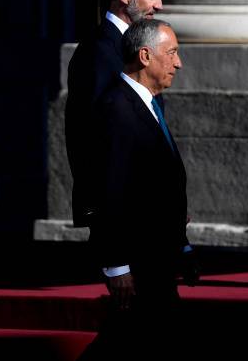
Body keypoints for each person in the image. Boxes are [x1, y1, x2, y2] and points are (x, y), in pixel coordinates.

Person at [77, 19, 196, 358]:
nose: (178, 62)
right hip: (138, 262)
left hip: (158, 258)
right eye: (171, 53)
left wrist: (182, 247)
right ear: (145, 56)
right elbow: (108, 193)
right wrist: (117, 266)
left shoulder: (148, 103)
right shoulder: (117, 108)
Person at [65, 0, 164, 228]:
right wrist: (100, 211)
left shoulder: (137, 46)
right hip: (118, 210)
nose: (160, 5)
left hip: (144, 205)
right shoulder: (98, 52)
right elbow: (89, 136)